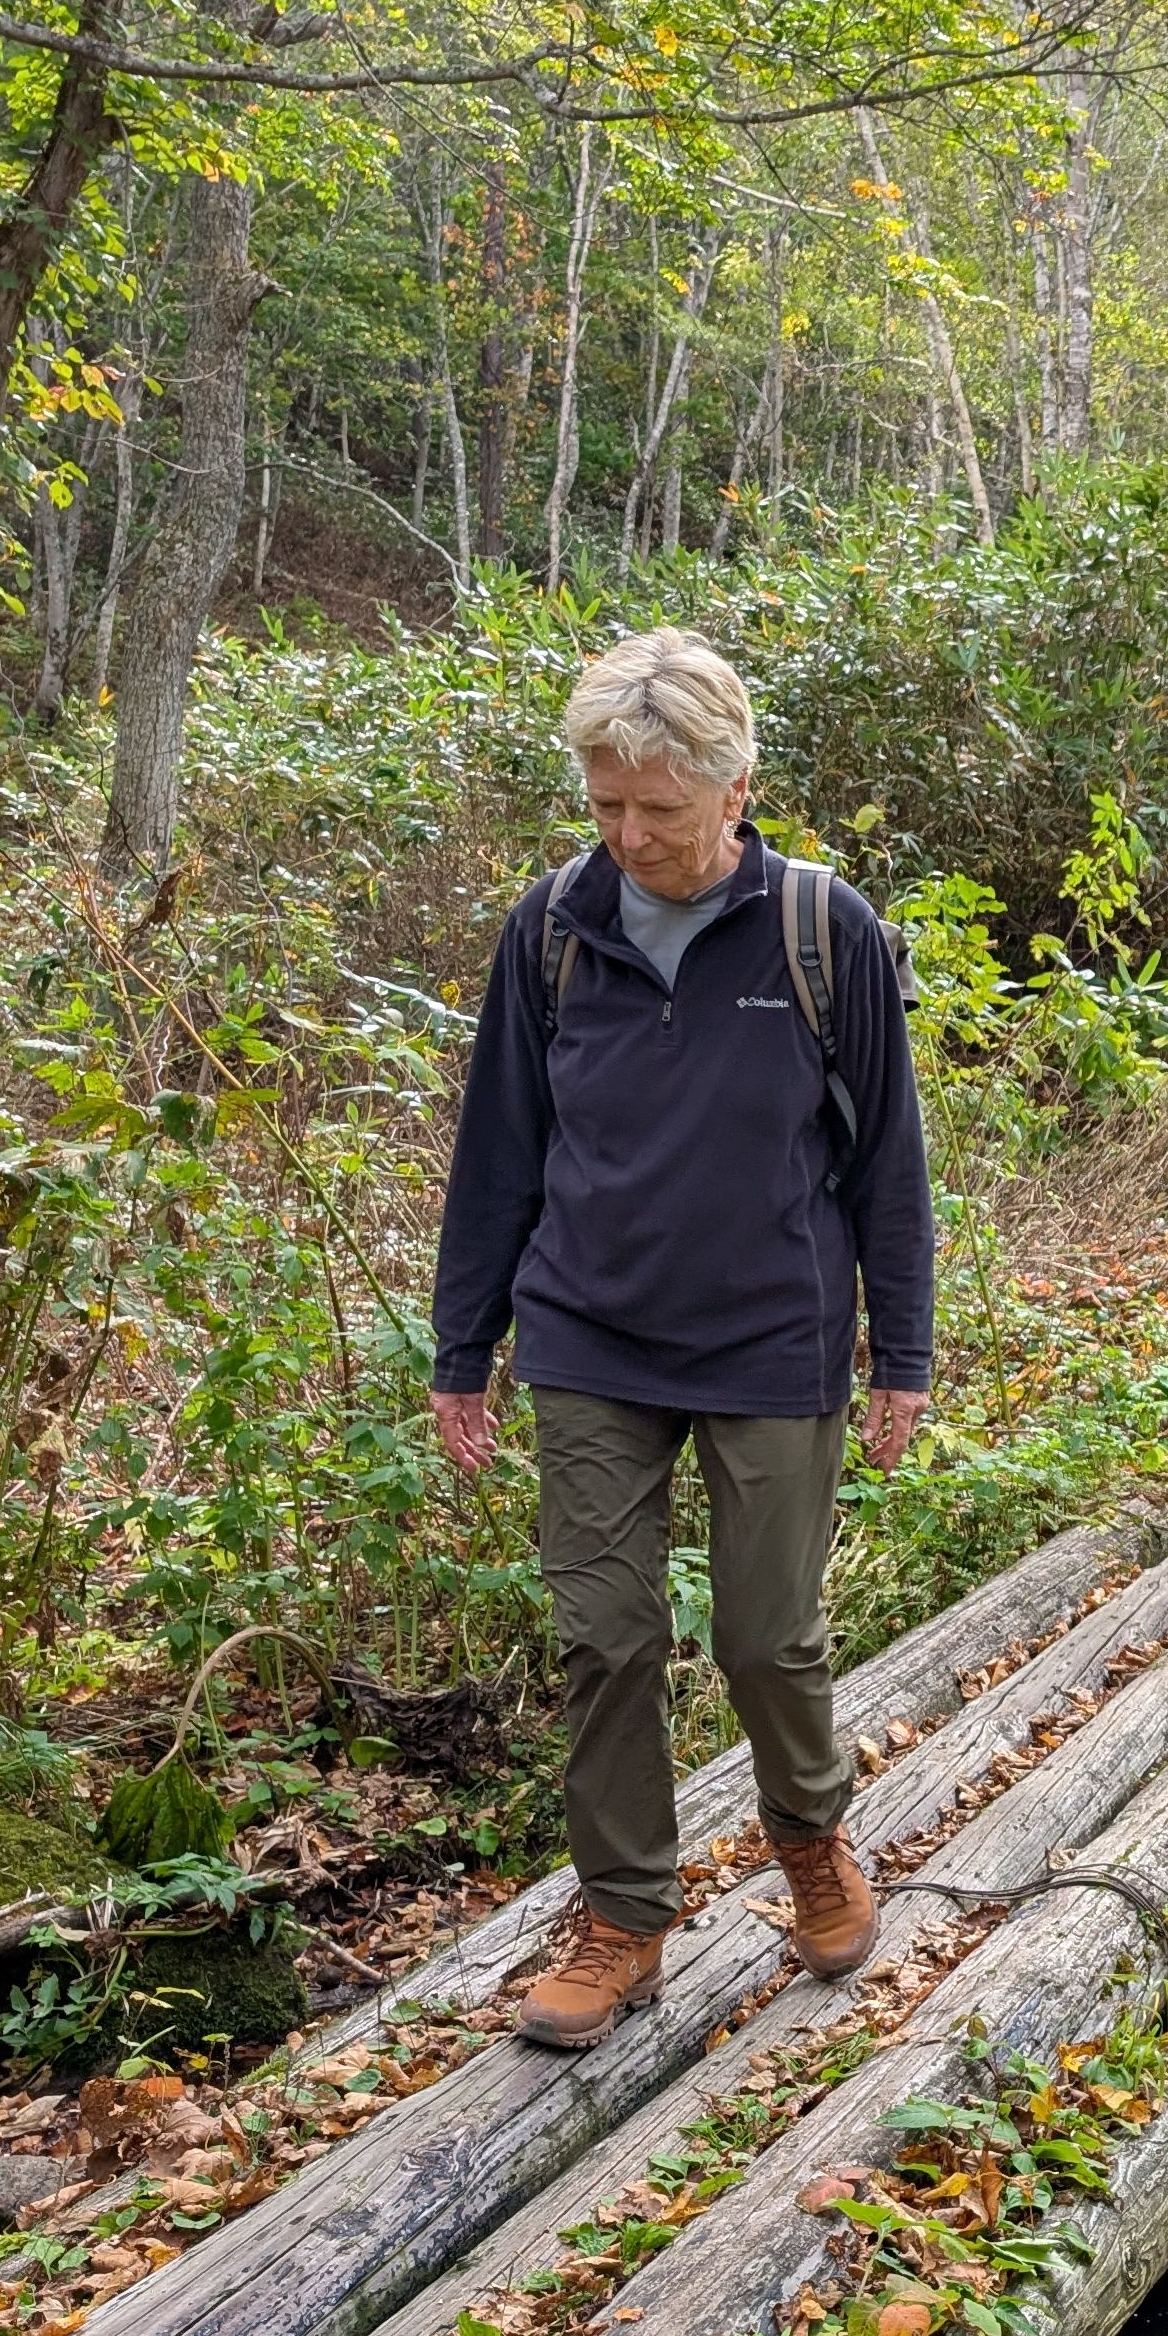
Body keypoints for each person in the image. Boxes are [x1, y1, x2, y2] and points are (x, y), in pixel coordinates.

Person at [429, 629, 930, 2051]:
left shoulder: (822, 932)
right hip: (588, 1330)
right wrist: (463, 1351)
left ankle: (812, 1839)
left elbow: (889, 1164)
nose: (630, 836)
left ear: (735, 786)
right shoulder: (550, 931)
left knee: (768, 1637)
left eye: (658, 807)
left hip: (774, 1332)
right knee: (604, 1635)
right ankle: (626, 1913)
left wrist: (904, 1350)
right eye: (605, 806)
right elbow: (498, 1153)